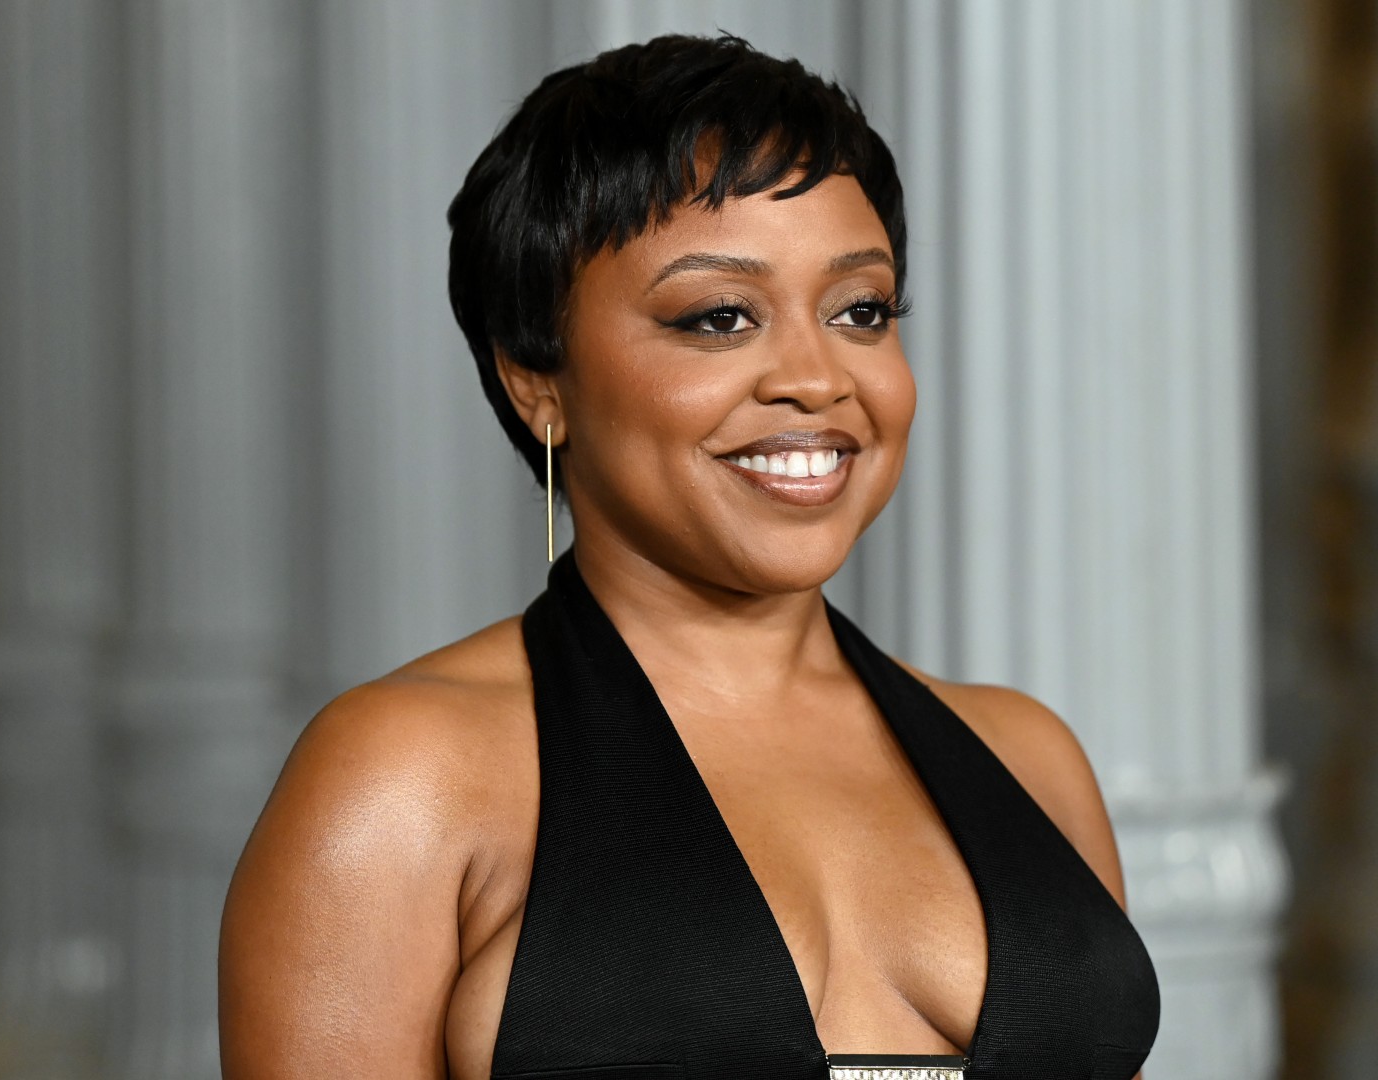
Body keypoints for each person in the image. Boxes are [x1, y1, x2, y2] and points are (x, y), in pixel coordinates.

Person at [219, 34, 1157, 1080]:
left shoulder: (1031, 760)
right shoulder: (402, 776)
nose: (816, 378)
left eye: (861, 310)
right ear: (539, 380)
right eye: (720, 316)